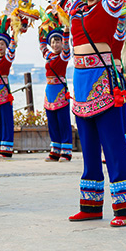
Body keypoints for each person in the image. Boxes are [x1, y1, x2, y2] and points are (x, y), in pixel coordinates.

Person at [51, 0, 126, 227]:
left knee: (113, 147)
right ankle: (90, 206)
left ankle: (124, 210)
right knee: (87, 147)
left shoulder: (110, 6)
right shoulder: (75, 8)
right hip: (81, 84)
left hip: (103, 82)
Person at [40, 28, 72, 161]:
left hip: (60, 91)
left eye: (57, 41)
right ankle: (55, 150)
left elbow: (66, 46)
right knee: (52, 122)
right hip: (49, 92)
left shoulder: (64, 55)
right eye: (52, 42)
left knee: (63, 121)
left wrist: (66, 31)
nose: (55, 45)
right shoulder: (48, 55)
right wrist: (42, 28)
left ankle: (66, 152)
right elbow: (42, 44)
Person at [112, 16, 126, 150]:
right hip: (102, 76)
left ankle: (120, 147)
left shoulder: (116, 34)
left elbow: (121, 21)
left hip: (116, 77)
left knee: (119, 111)